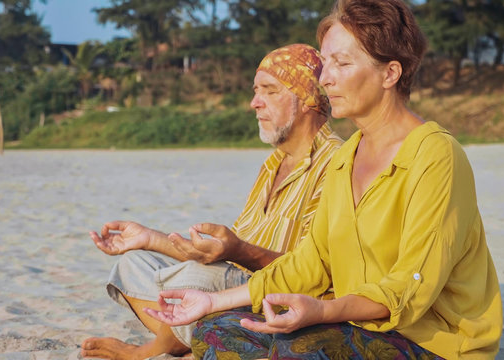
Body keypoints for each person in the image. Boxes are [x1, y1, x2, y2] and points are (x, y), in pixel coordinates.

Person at [143, 0, 504, 359]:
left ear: (390, 73)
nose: (325, 77)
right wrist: (212, 300)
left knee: (294, 350)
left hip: (432, 341)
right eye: (325, 61)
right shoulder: (346, 158)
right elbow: (311, 262)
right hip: (357, 326)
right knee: (216, 330)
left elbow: (412, 285)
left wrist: (322, 312)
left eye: (342, 63)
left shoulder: (435, 154)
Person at [80, 43, 344, 360]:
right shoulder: (273, 163)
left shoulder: (335, 163)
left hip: (282, 298)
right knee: (134, 263)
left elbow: (314, 274)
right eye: (255, 91)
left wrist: (236, 251)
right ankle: (193, 338)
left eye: (269, 91)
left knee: (196, 278)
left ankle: (146, 352)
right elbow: (227, 256)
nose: (254, 103)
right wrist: (150, 238)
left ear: (307, 100)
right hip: (235, 282)